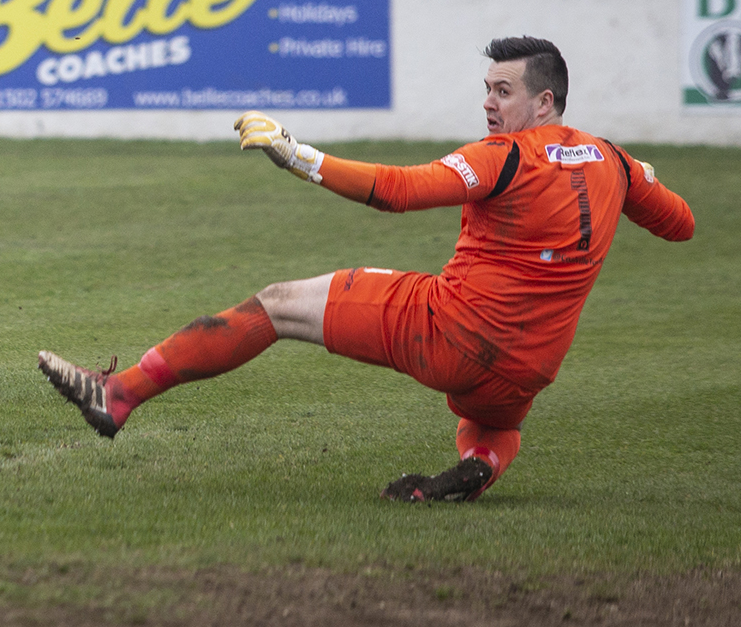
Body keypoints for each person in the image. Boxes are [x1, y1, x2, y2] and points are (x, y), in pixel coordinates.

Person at [39, 36, 693, 502]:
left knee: (276, 304)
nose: (490, 104)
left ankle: (118, 394)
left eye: (504, 91)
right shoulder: (614, 160)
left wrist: (297, 155)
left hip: (449, 329)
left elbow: (399, 190)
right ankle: (481, 465)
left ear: (545, 101)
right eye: (487, 90)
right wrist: (645, 181)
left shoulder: (505, 157)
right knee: (494, 424)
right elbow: (681, 225)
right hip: (530, 363)